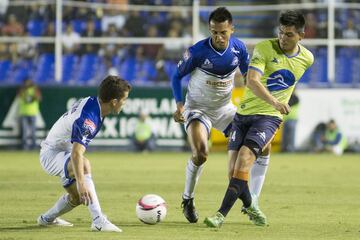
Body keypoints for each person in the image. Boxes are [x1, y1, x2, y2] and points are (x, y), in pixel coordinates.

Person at [204, 10, 314, 228]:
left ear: (301, 35)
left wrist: (276, 106)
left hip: (269, 117)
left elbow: (287, 78)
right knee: (233, 174)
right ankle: (252, 205)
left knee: (244, 159)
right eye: (281, 32)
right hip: (244, 113)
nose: (283, 38)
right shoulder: (264, 47)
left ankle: (220, 215)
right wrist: (276, 100)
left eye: (289, 34)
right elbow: (252, 81)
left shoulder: (307, 59)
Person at [171, 7, 272, 224]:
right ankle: (188, 199)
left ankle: (253, 199)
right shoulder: (197, 51)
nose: (218, 37)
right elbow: (175, 77)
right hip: (198, 108)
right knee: (201, 153)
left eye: (223, 32)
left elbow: (249, 78)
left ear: (232, 30)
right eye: (214, 32)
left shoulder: (239, 49)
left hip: (225, 109)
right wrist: (180, 105)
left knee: (264, 145)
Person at [37, 76, 131, 233]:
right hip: (52, 154)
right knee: (84, 165)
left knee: (77, 198)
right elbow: (76, 154)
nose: (125, 103)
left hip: (62, 153)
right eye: (124, 99)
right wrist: (81, 182)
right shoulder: (89, 119)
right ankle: (98, 221)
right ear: (114, 101)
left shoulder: (94, 103)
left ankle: (46, 219)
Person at [18, 79, 42, 150]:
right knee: (24, 131)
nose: (27, 84)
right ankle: (24, 146)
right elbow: (20, 96)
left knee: (33, 131)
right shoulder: (22, 90)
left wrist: (34, 95)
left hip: (32, 113)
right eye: (25, 82)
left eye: (28, 82)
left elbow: (39, 98)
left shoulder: (35, 90)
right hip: (24, 113)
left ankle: (33, 145)